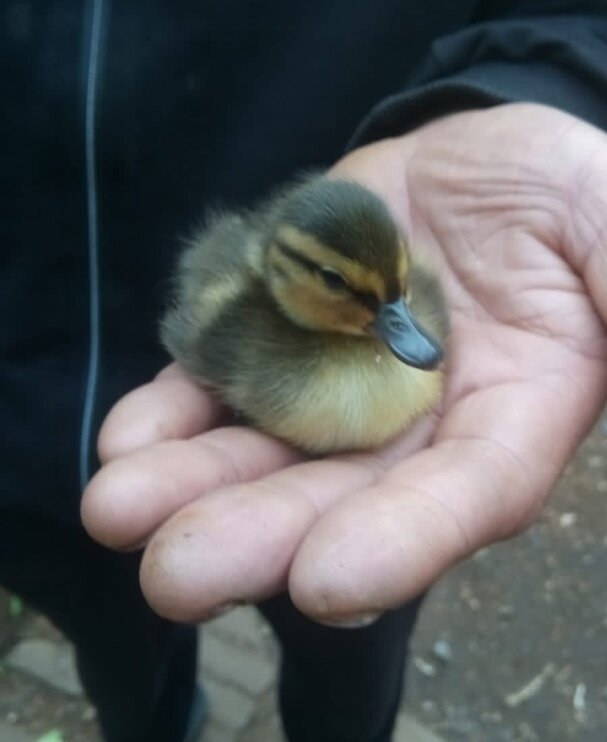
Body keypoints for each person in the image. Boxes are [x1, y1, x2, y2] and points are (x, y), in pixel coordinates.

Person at [3, 3, 607, 741]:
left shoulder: (388, 296)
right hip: (23, 420)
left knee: (345, 645)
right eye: (352, 293)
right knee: (119, 645)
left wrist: (547, 81)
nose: (401, 330)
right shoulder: (241, 326)